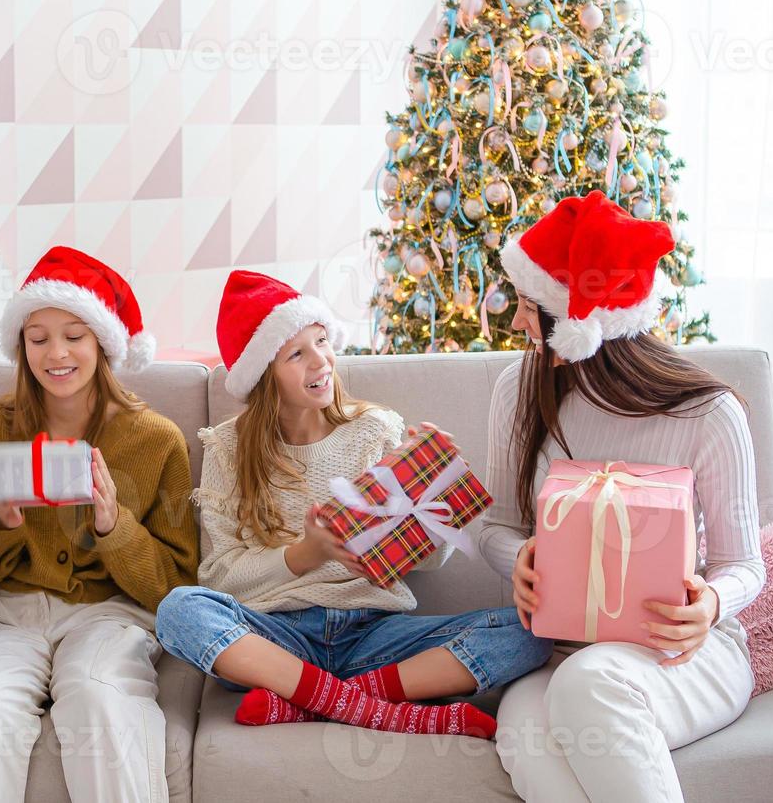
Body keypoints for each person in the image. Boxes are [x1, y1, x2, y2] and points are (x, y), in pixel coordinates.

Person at [156, 271, 552, 737]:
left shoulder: (375, 429)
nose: (320, 361)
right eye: (296, 354)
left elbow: (425, 562)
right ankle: (371, 704)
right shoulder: (228, 448)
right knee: (180, 609)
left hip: (373, 634)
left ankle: (312, 702)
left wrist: (436, 495)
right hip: (278, 639)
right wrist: (305, 555)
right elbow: (219, 577)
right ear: (264, 374)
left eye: (322, 341)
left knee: (533, 630)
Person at [479, 190, 765, 801]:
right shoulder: (518, 389)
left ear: (576, 322)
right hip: (559, 652)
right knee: (530, 740)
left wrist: (710, 603)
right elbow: (495, 527)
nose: (516, 323)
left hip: (685, 658)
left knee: (589, 683)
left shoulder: (708, 414)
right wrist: (521, 559)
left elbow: (746, 565)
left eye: (531, 308)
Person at [0, 246, 198, 803]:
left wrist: (114, 527)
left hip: (110, 615)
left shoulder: (156, 439)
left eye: (74, 336)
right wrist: (2, 524)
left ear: (102, 343)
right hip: (7, 616)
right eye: (38, 338)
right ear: (21, 346)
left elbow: (177, 587)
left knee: (97, 692)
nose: (56, 353)